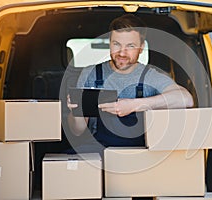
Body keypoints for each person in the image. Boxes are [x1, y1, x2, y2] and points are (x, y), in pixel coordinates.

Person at [67, 14, 194, 147]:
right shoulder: (90, 74)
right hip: (99, 152)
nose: (122, 53)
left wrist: (133, 105)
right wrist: (76, 111)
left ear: (141, 47)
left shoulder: (151, 76)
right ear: (109, 43)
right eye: (116, 44)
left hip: (139, 153)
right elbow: (77, 131)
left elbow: (186, 99)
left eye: (131, 46)